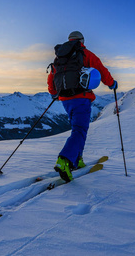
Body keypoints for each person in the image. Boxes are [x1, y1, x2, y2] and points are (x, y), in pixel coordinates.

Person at [47, 31, 118, 182]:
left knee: (77, 129)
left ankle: (77, 159)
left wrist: (54, 93)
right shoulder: (85, 54)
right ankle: (65, 160)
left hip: (65, 99)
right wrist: (112, 84)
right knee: (80, 130)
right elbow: (102, 70)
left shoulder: (59, 56)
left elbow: (51, 76)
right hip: (81, 98)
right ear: (82, 40)